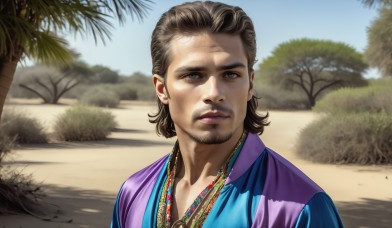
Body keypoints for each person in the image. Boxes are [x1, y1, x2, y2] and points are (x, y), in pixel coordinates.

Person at [111, 1, 344, 227]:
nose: (214, 93)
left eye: (230, 74)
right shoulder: (133, 193)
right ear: (162, 89)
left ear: (250, 85)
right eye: (193, 75)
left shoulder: (301, 207)